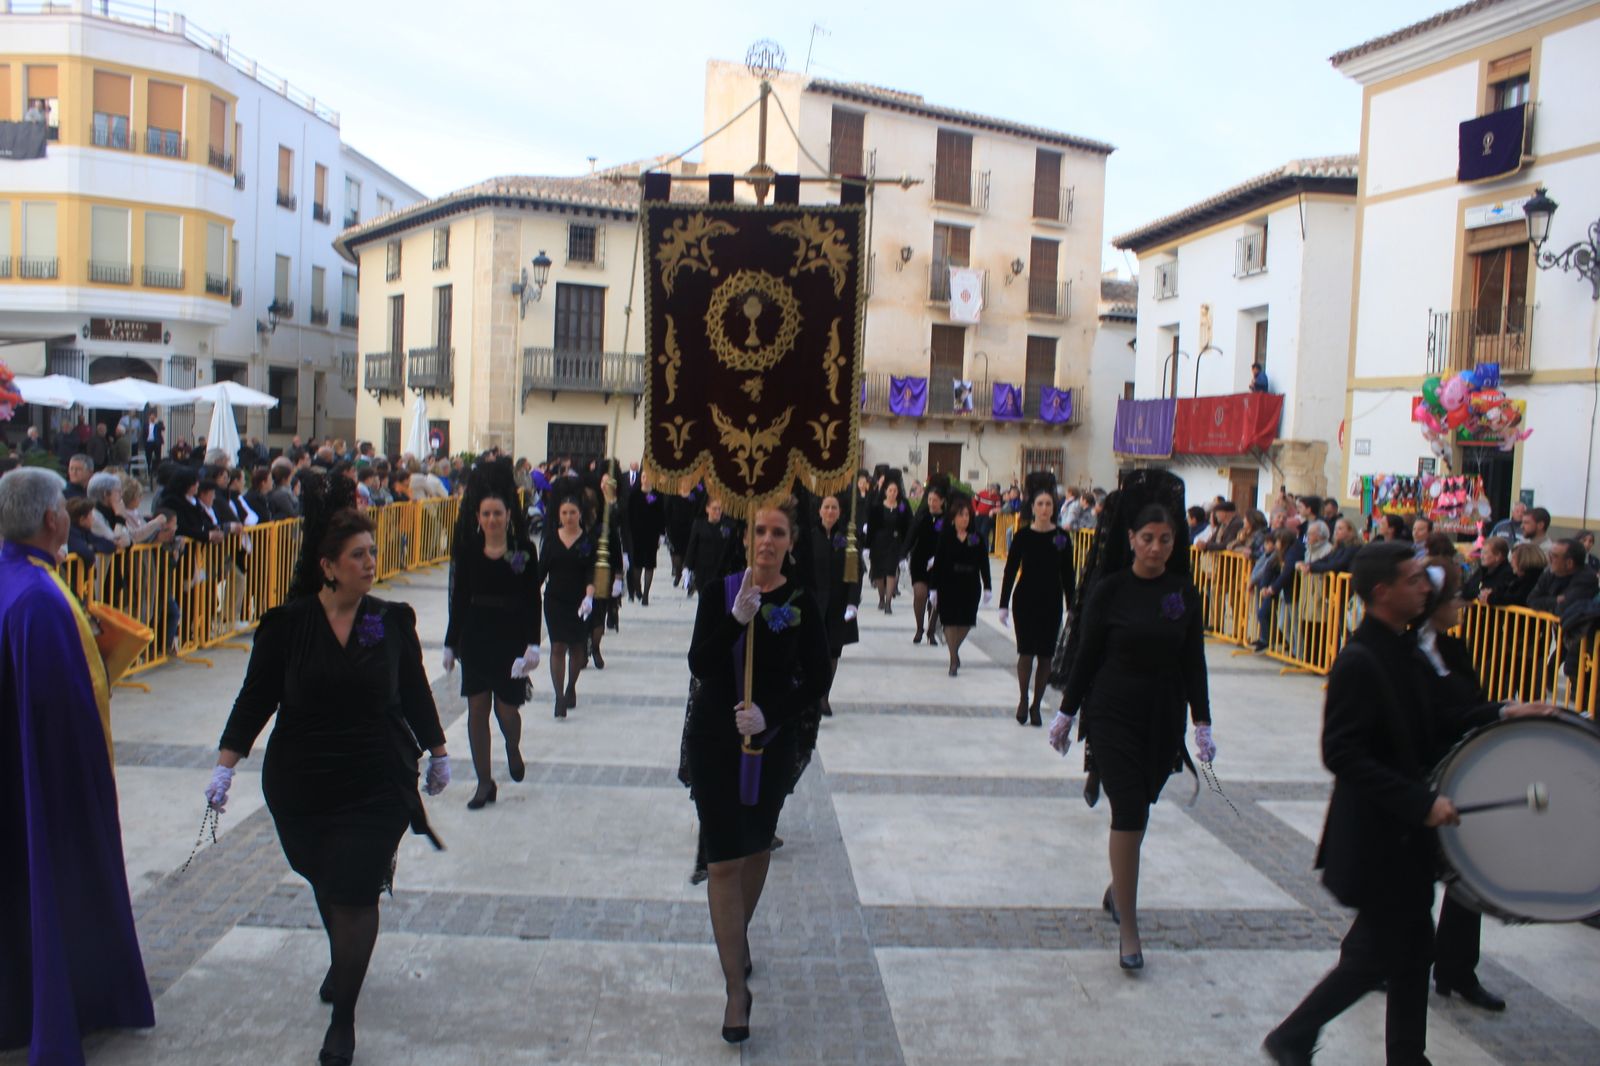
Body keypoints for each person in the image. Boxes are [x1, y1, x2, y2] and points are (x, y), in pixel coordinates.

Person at [1262, 542, 1556, 1065]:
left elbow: (1437, 718)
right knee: (1378, 954)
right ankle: (1293, 1035)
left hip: (1404, 836)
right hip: (1379, 836)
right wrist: (1418, 803)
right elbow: (1341, 752)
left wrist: (1503, 711)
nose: (1428, 588)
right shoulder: (1360, 659)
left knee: (1415, 951)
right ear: (1383, 592)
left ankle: (1404, 1054)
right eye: (1416, 579)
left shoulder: (1401, 649)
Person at [207, 473, 449, 1066]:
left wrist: (439, 751)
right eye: (359, 555)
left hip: (375, 777)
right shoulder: (287, 627)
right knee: (328, 878)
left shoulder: (390, 621)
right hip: (303, 781)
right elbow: (255, 698)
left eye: (373, 553)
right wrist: (225, 767)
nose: (371, 562)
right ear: (329, 566)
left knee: (357, 888)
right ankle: (343, 961)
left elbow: (414, 692)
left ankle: (344, 1018)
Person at [0, 468, 156, 1065]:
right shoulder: (41, 598)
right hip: (48, 782)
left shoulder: (22, 580)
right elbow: (61, 710)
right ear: (52, 520)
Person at [683, 499, 830, 1044]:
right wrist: (735, 620)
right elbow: (699, 663)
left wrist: (774, 711)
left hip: (769, 740)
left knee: (756, 848)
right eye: (758, 531)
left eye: (777, 532)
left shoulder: (801, 602)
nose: (766, 541)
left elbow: (816, 678)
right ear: (745, 539)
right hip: (715, 740)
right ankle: (735, 991)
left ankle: (736, 936)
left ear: (791, 542)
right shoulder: (722, 593)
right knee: (722, 860)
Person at [1052, 502, 1209, 972]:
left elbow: (1193, 660)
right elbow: (1087, 653)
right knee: (1130, 808)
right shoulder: (1111, 590)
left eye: (1165, 539)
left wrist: (1202, 721)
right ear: (1131, 539)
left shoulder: (1182, 592)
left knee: (1141, 808)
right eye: (1147, 538)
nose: (1156, 548)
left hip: (1162, 716)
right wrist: (1066, 712)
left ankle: (1117, 886)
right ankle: (1129, 929)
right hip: (1112, 711)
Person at [1414, 558, 1507, 1013]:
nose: (1461, 605)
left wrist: (1498, 713)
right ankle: (1372, 963)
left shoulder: (1452, 650)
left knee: (1466, 877)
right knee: (1407, 880)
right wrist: (1502, 712)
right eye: (1454, 598)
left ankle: (1456, 969)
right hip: (1420, 778)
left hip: (1462, 772)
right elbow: (1435, 718)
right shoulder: (1406, 654)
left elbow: (1472, 701)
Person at [443, 460, 541, 810]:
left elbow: (532, 598)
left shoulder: (523, 551)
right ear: (478, 516)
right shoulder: (469, 552)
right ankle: (484, 782)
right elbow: (459, 598)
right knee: (477, 708)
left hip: (511, 635)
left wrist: (533, 643)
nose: (491, 520)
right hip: (476, 634)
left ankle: (512, 746)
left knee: (506, 709)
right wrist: (450, 642)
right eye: (485, 514)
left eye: (497, 513)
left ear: (507, 515)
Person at [999, 488, 1076, 725]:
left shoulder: (1062, 537)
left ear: (1054, 508)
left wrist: (1072, 604)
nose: (1044, 508)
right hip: (1025, 600)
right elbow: (1010, 570)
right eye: (1040, 504)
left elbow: (1068, 574)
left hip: (1051, 601)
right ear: (1032, 508)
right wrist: (1003, 604)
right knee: (1026, 651)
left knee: (1046, 654)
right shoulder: (1022, 536)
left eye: (1048, 504)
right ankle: (1023, 698)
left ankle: (1036, 705)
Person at [540, 493, 599, 718]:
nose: (568, 517)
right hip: (555, 601)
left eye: (572, 513)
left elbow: (591, 572)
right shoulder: (551, 539)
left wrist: (589, 597)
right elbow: (541, 569)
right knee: (557, 647)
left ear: (580, 515)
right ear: (559, 515)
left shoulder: (587, 541)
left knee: (576, 647)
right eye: (564, 513)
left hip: (578, 601)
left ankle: (571, 686)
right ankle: (559, 697)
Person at [927, 495, 991, 677]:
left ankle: (954, 650)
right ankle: (953, 659)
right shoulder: (946, 536)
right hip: (949, 584)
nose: (965, 518)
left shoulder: (976, 537)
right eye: (961, 515)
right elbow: (938, 563)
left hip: (970, 585)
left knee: (966, 622)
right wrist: (933, 587)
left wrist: (988, 586)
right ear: (953, 517)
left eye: (967, 515)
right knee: (949, 620)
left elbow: (984, 563)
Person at [811, 492, 861, 716]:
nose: (830, 511)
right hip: (815, 602)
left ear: (840, 512)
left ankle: (824, 696)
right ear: (819, 511)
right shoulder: (811, 537)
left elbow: (854, 574)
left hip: (838, 604)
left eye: (834, 508)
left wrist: (852, 602)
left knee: (833, 652)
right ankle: (813, 694)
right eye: (827, 507)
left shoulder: (848, 538)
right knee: (814, 651)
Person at [906, 483, 946, 646]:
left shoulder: (948, 519)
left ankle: (931, 630)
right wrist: (903, 555)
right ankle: (919, 628)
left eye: (935, 500)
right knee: (920, 594)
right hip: (920, 561)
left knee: (935, 599)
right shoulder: (921, 516)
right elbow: (911, 536)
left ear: (942, 501)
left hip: (940, 562)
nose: (931, 503)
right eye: (929, 499)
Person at [684, 496, 743, 598]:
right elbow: (692, 546)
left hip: (721, 571)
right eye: (714, 508)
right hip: (703, 571)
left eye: (720, 509)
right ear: (707, 509)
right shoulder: (699, 524)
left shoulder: (728, 526)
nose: (717, 511)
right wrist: (687, 567)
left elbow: (733, 548)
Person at [867, 479, 912, 613]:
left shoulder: (902, 507)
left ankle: (888, 603)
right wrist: (867, 546)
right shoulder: (878, 507)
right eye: (890, 490)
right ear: (885, 491)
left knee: (891, 572)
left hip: (894, 543)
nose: (893, 493)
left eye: (895, 491)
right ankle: (881, 598)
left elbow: (907, 525)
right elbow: (871, 528)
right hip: (879, 543)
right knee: (879, 574)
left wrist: (906, 547)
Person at [626, 469, 667, 606]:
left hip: (652, 534)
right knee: (637, 565)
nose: (645, 479)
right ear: (640, 478)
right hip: (636, 535)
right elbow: (629, 515)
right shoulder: (634, 494)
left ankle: (646, 595)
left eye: (648, 477)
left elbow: (661, 515)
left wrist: (662, 534)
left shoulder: (657, 495)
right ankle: (637, 589)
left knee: (649, 564)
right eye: (643, 476)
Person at [1527, 538, 1597, 615]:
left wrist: (1545, 602)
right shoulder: (1550, 573)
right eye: (1549, 554)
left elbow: (1563, 608)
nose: (1549, 559)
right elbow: (1531, 600)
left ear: (1569, 563)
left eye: (1554, 556)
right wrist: (1555, 600)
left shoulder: (1586, 579)